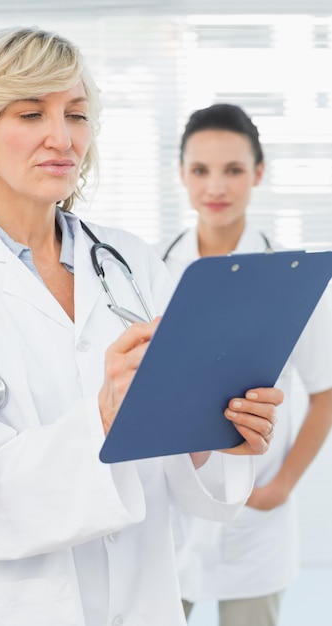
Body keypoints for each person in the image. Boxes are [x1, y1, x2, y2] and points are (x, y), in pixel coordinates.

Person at [0, 32, 282, 626]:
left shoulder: (133, 263)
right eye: (31, 112)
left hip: (145, 602)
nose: (62, 137)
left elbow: (184, 479)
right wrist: (104, 418)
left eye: (76, 114)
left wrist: (220, 432)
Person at [161, 103, 332, 626]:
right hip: (171, 515)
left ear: (258, 173)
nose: (216, 186)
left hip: (256, 519)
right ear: (182, 175)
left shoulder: (293, 277)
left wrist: (281, 487)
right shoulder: (150, 271)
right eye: (201, 170)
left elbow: (325, 390)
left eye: (233, 169)